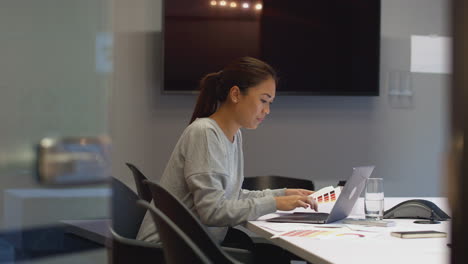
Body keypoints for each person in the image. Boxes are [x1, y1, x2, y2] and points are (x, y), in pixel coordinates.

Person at [137, 56, 317, 259]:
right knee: (272, 256)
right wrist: (275, 203)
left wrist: (282, 195)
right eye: (263, 100)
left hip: (193, 244)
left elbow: (231, 197)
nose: (267, 110)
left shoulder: (233, 134)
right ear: (235, 94)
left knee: (273, 255)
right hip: (168, 251)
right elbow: (212, 211)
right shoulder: (204, 133)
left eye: (270, 103)